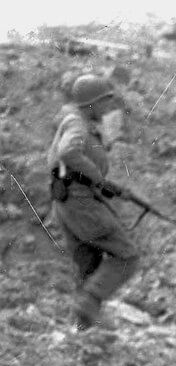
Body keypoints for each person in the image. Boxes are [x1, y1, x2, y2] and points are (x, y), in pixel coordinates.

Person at [47, 75, 139, 330]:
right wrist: (98, 179)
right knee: (127, 256)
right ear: (90, 103)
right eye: (104, 103)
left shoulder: (79, 122)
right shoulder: (77, 124)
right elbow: (68, 152)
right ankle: (88, 305)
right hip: (80, 203)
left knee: (89, 264)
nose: (108, 108)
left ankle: (83, 327)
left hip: (69, 201)